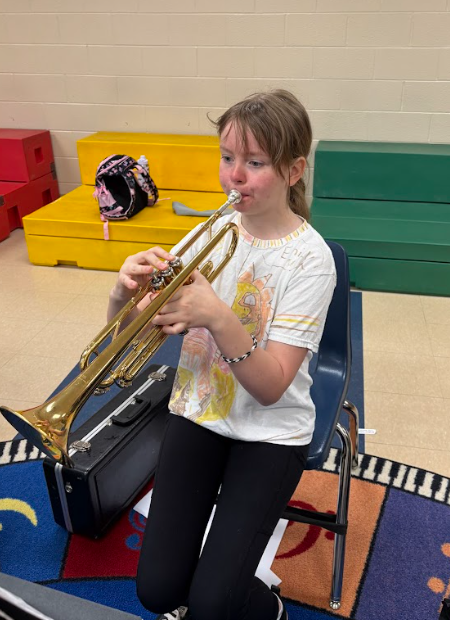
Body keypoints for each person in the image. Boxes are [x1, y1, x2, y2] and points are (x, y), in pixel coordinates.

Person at [107, 90, 337, 620]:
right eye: (228, 157)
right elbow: (138, 332)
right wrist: (124, 294)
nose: (235, 175)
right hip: (200, 411)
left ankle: (266, 607)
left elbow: (272, 384)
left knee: (214, 606)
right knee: (158, 592)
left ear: (294, 170)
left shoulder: (311, 260)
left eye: (255, 163)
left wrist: (217, 315)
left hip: (271, 431)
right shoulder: (210, 231)